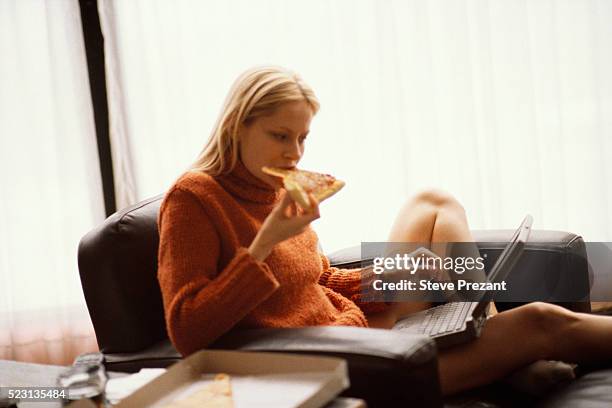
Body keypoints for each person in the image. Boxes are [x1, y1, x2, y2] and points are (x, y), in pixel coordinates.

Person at [158, 65, 612, 395]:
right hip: (334, 362)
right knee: (541, 320)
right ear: (238, 126)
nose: (295, 152)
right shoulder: (194, 198)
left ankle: (486, 328)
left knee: (432, 201)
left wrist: (390, 274)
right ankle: (503, 357)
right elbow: (188, 331)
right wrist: (265, 243)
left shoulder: (273, 186)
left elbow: (317, 280)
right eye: (281, 136)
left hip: (352, 328)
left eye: (303, 137)